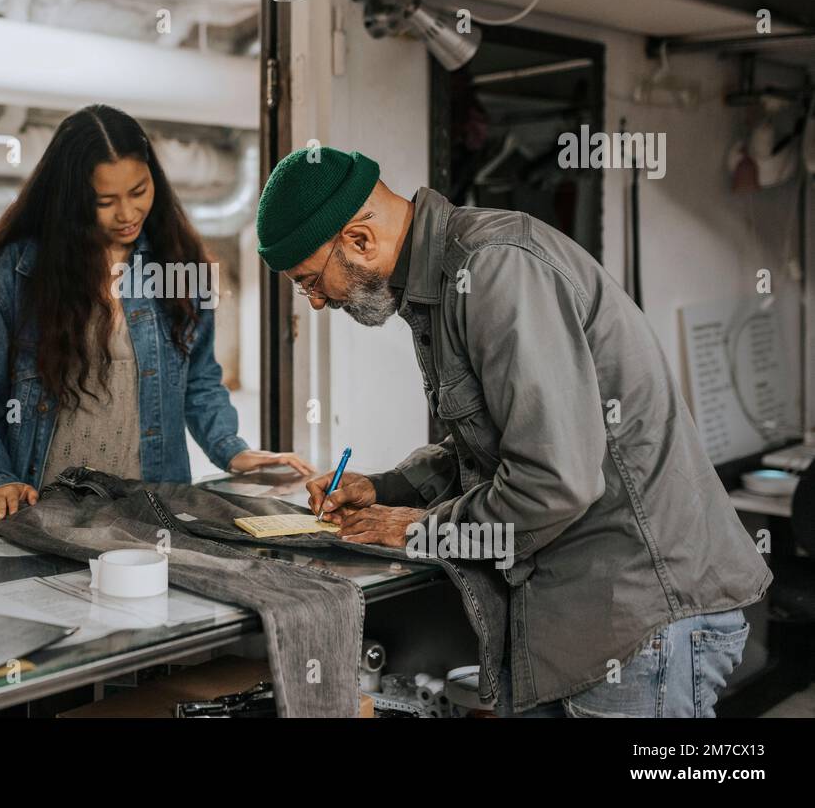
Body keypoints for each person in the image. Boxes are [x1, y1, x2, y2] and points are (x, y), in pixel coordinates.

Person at [257, 144, 772, 718]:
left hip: (641, 619)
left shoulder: (496, 268)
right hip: (588, 620)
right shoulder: (443, 283)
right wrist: (386, 489)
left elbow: (555, 480)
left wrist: (419, 531)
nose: (317, 302)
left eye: (310, 281)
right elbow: (498, 443)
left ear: (358, 240)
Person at [0, 104, 310, 520]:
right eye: (105, 201)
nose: (127, 214)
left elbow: (198, 378)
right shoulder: (7, 279)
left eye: (139, 191)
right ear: (69, 199)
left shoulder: (179, 267)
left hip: (150, 515)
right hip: (45, 516)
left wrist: (230, 448)